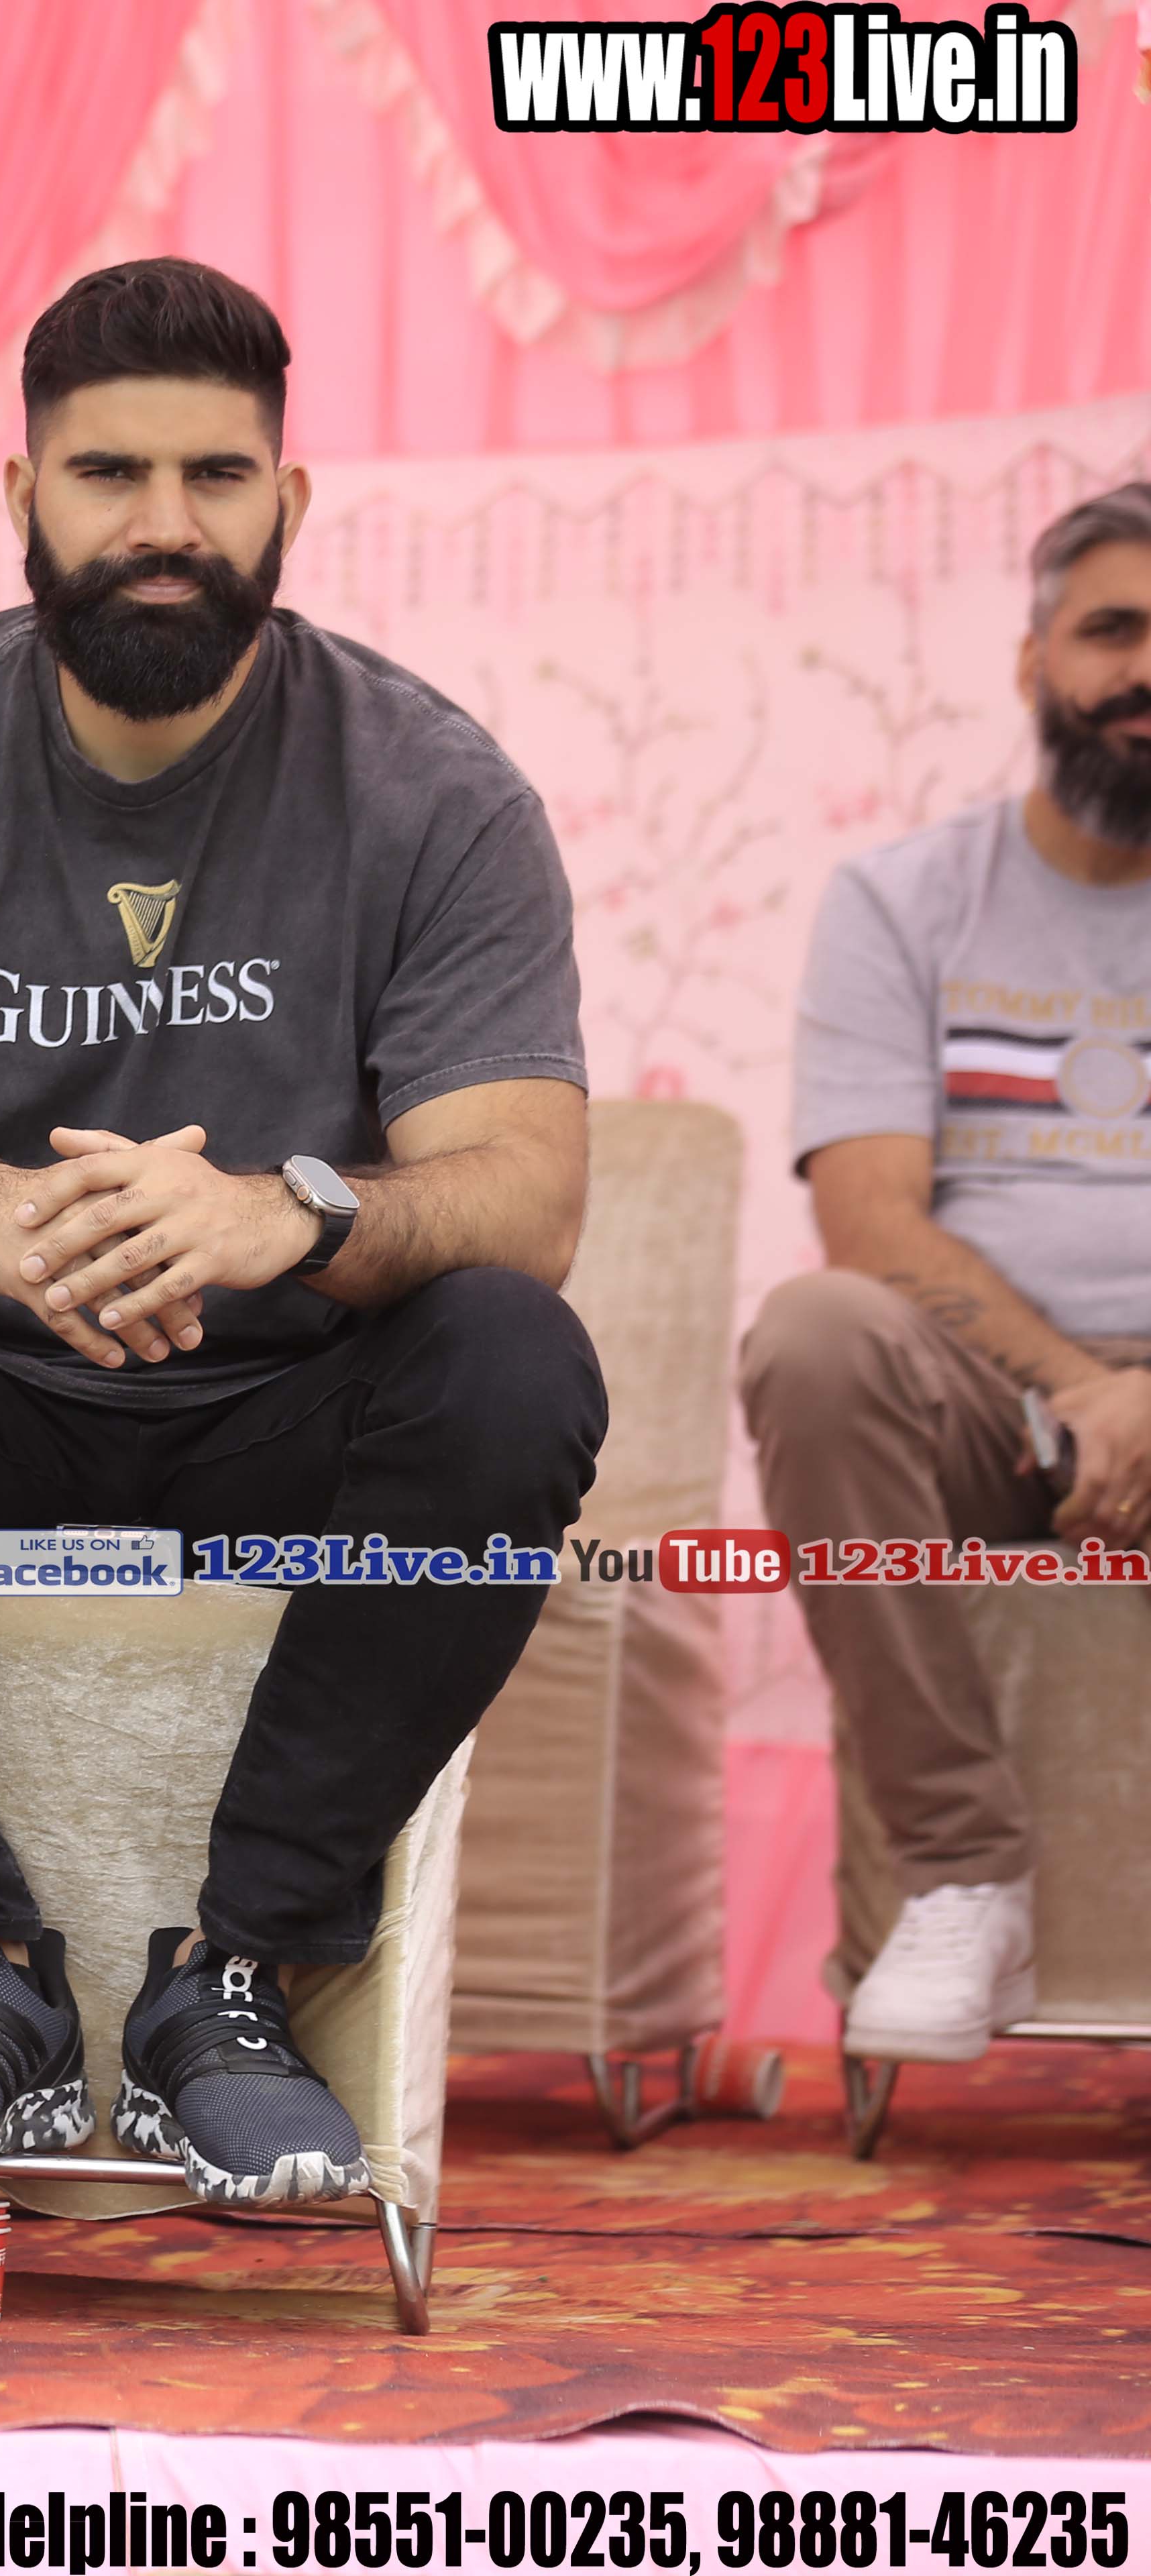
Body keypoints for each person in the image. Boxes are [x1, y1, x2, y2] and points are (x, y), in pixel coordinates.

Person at [0, 260, 604, 2205]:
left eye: (213, 475)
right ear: (23, 498)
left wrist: (283, 1217)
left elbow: (528, 1187)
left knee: (517, 1359)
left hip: (286, 1420)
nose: (164, 523)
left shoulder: (435, 788)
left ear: (288, 502)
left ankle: (234, 1977)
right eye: (109, 474)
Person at [741, 482, 1151, 2064]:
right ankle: (965, 1874)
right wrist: (1091, 1390)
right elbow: (869, 1221)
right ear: (1036, 658)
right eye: (1112, 630)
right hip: (1001, 1410)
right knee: (817, 1333)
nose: (1141, 671)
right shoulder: (903, 900)